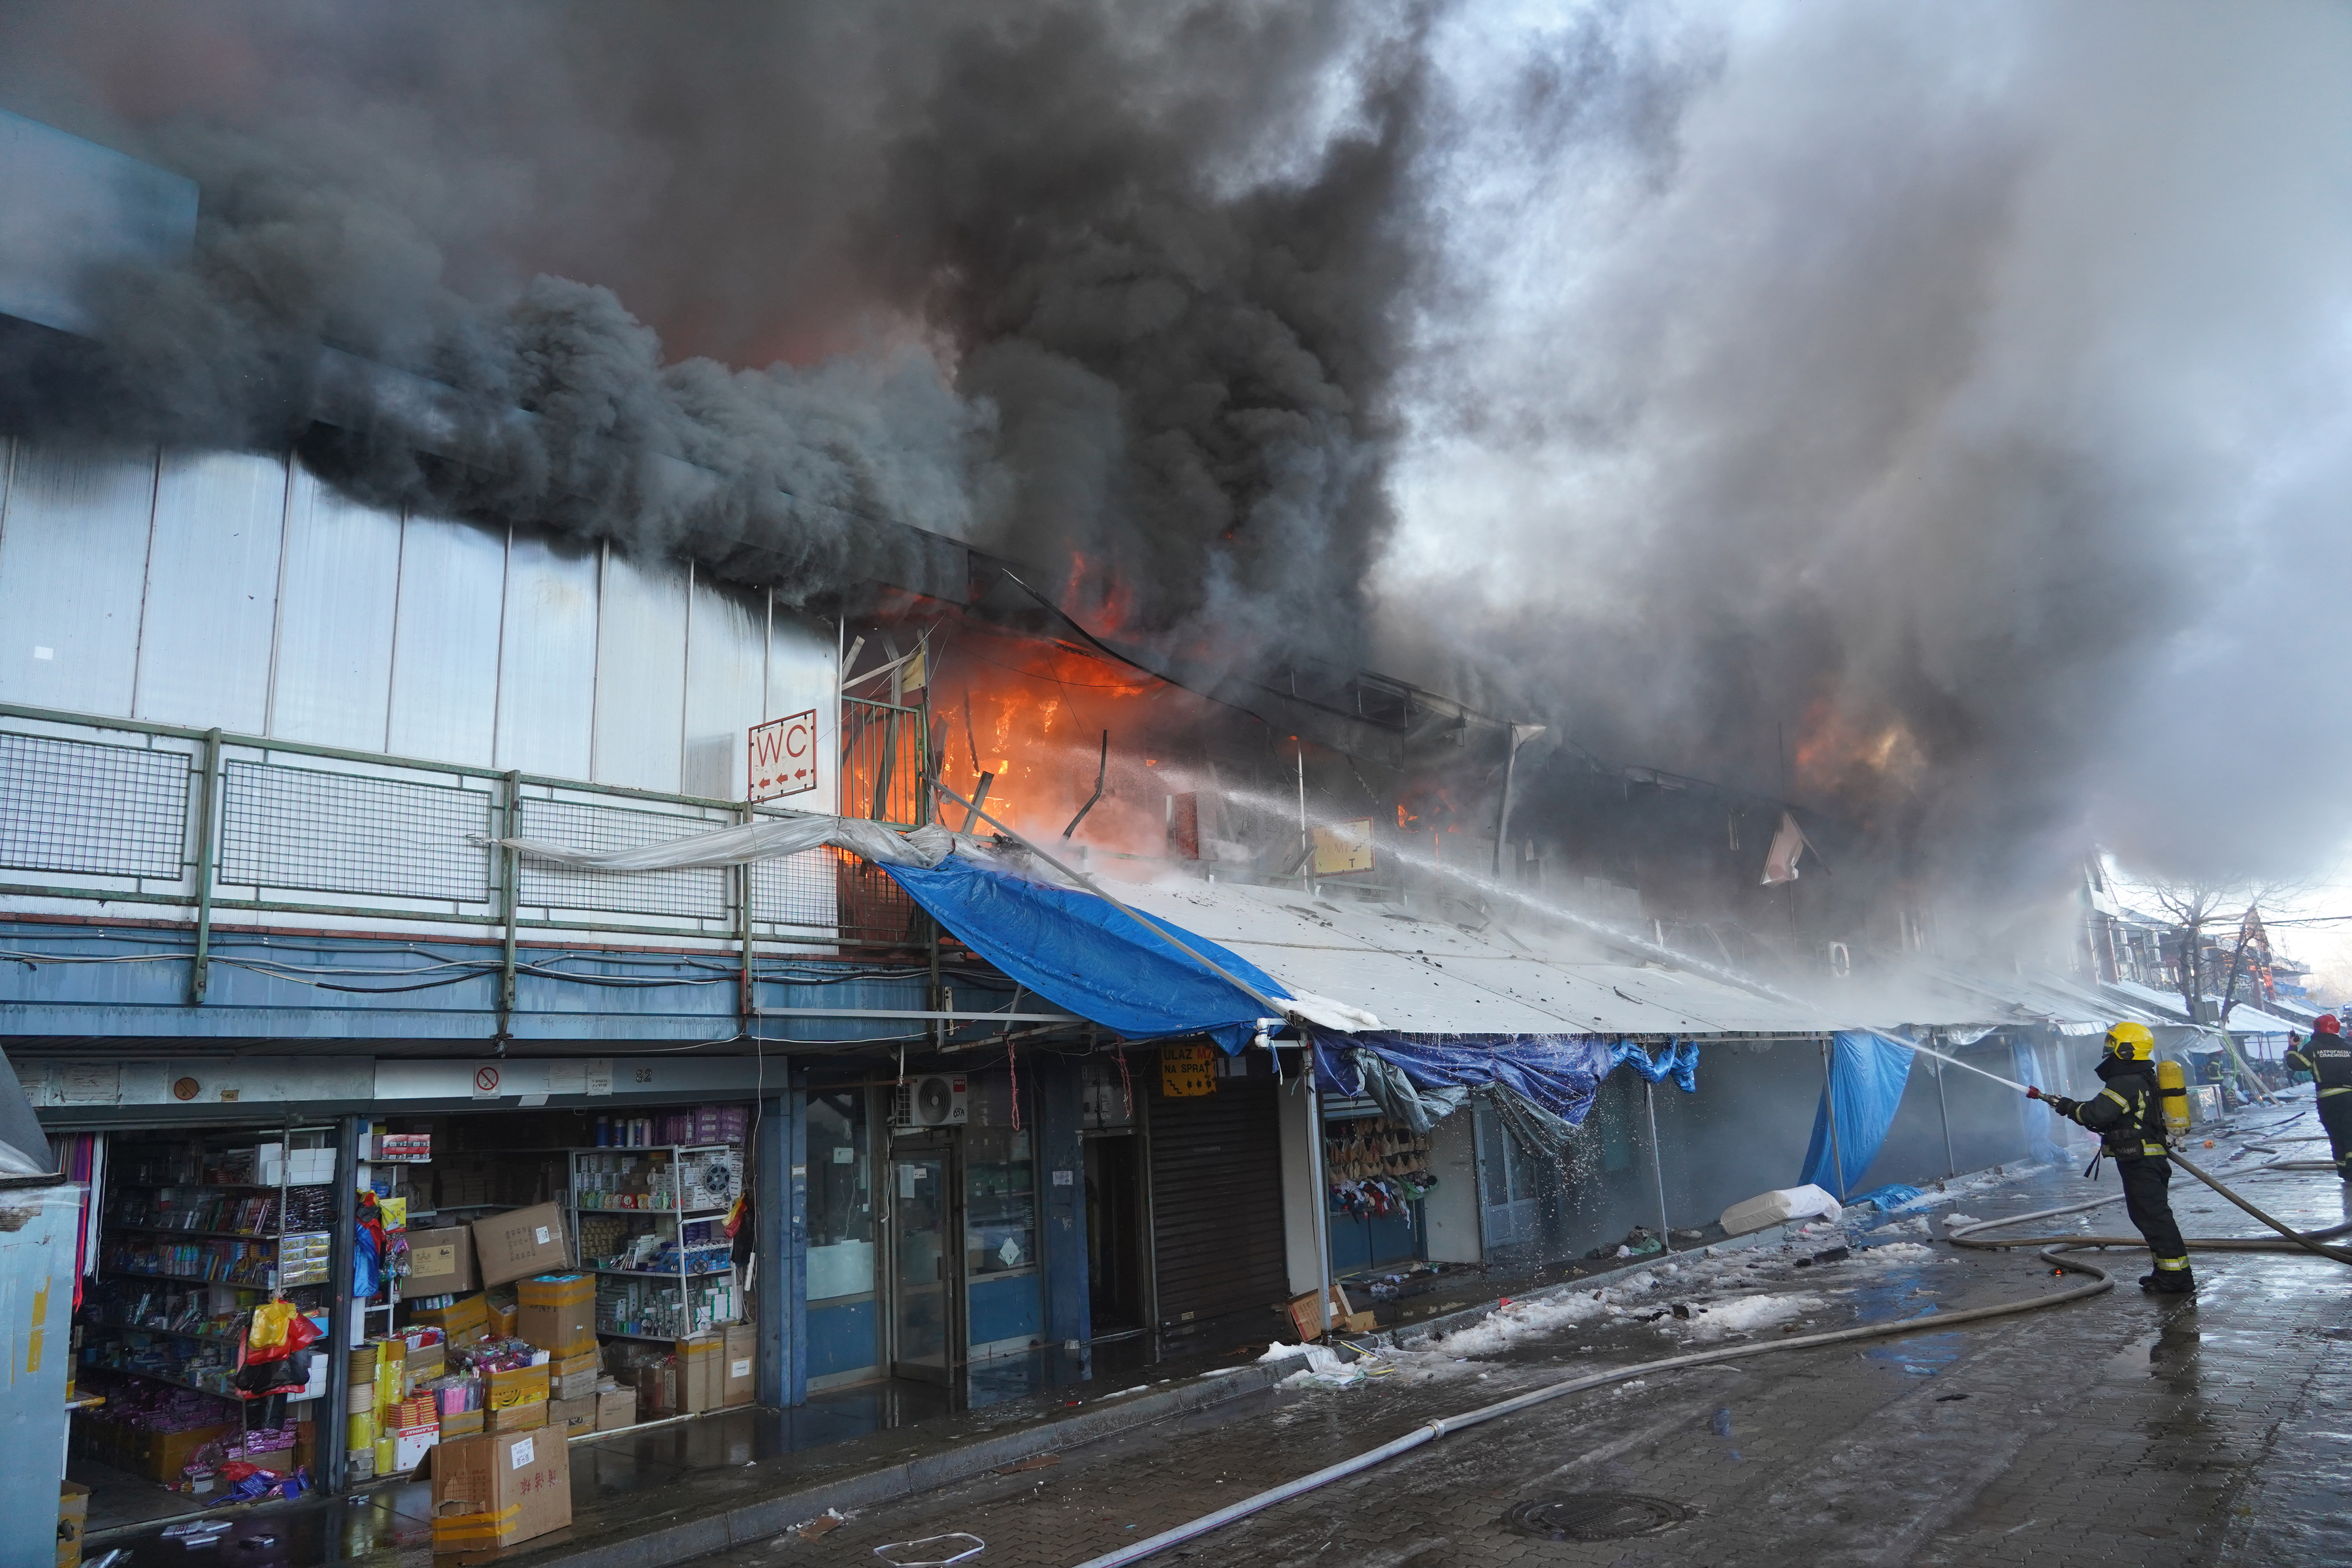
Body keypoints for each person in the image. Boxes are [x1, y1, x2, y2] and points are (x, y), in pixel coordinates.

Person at [2028, 1022, 2193, 1294]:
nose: (2108, 1049)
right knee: (2151, 1218)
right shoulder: (2141, 1076)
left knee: (2154, 1219)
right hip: (2145, 1160)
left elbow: (2095, 1114)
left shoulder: (2125, 1081)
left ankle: (2177, 1279)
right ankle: (2166, 1272)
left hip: (2141, 1162)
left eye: (2113, 1044)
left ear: (2128, 1050)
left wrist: (2068, 1106)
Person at [2295, 1015, 2352, 1179]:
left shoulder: (2312, 1047)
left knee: (2335, 1134)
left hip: (2327, 1099)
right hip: (2349, 1097)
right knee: (2350, 1132)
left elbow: (2297, 1064)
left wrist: (2292, 1047)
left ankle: (2344, 1170)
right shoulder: (2348, 1047)